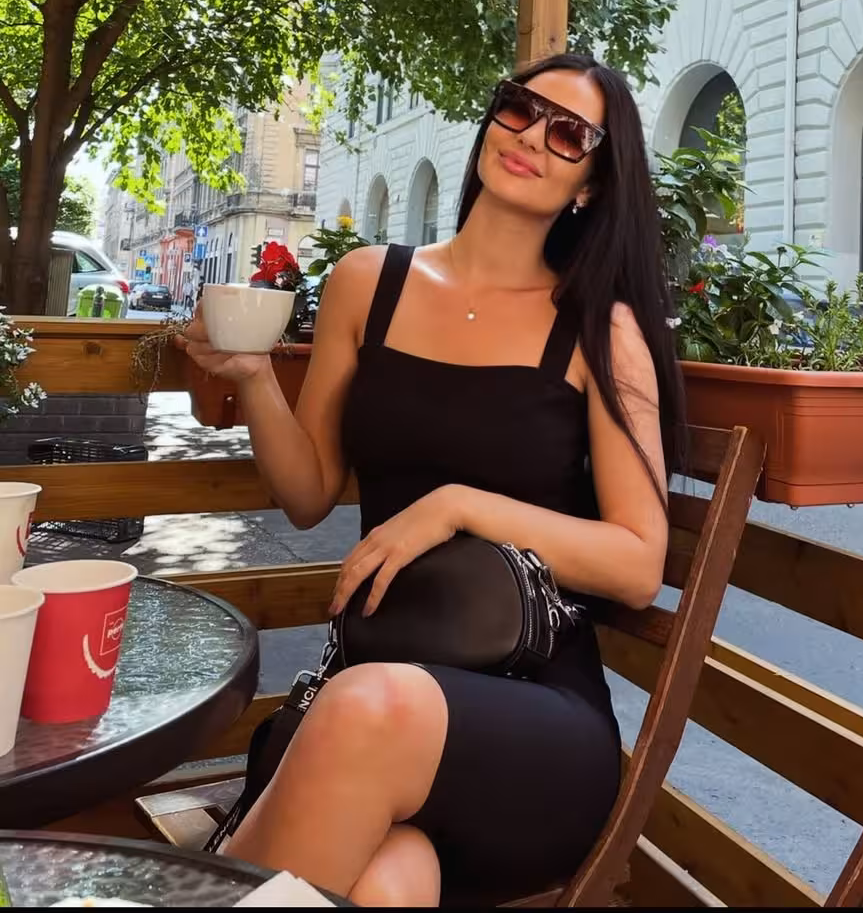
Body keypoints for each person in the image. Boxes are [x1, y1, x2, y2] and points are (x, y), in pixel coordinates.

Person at [177, 53, 685, 906]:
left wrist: (458, 507)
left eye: (569, 134)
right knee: (389, 885)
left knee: (366, 709)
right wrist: (255, 377)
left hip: (529, 716)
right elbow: (308, 494)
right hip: (379, 701)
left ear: (593, 183)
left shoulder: (601, 329)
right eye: (520, 108)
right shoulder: (367, 283)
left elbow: (639, 562)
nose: (533, 137)